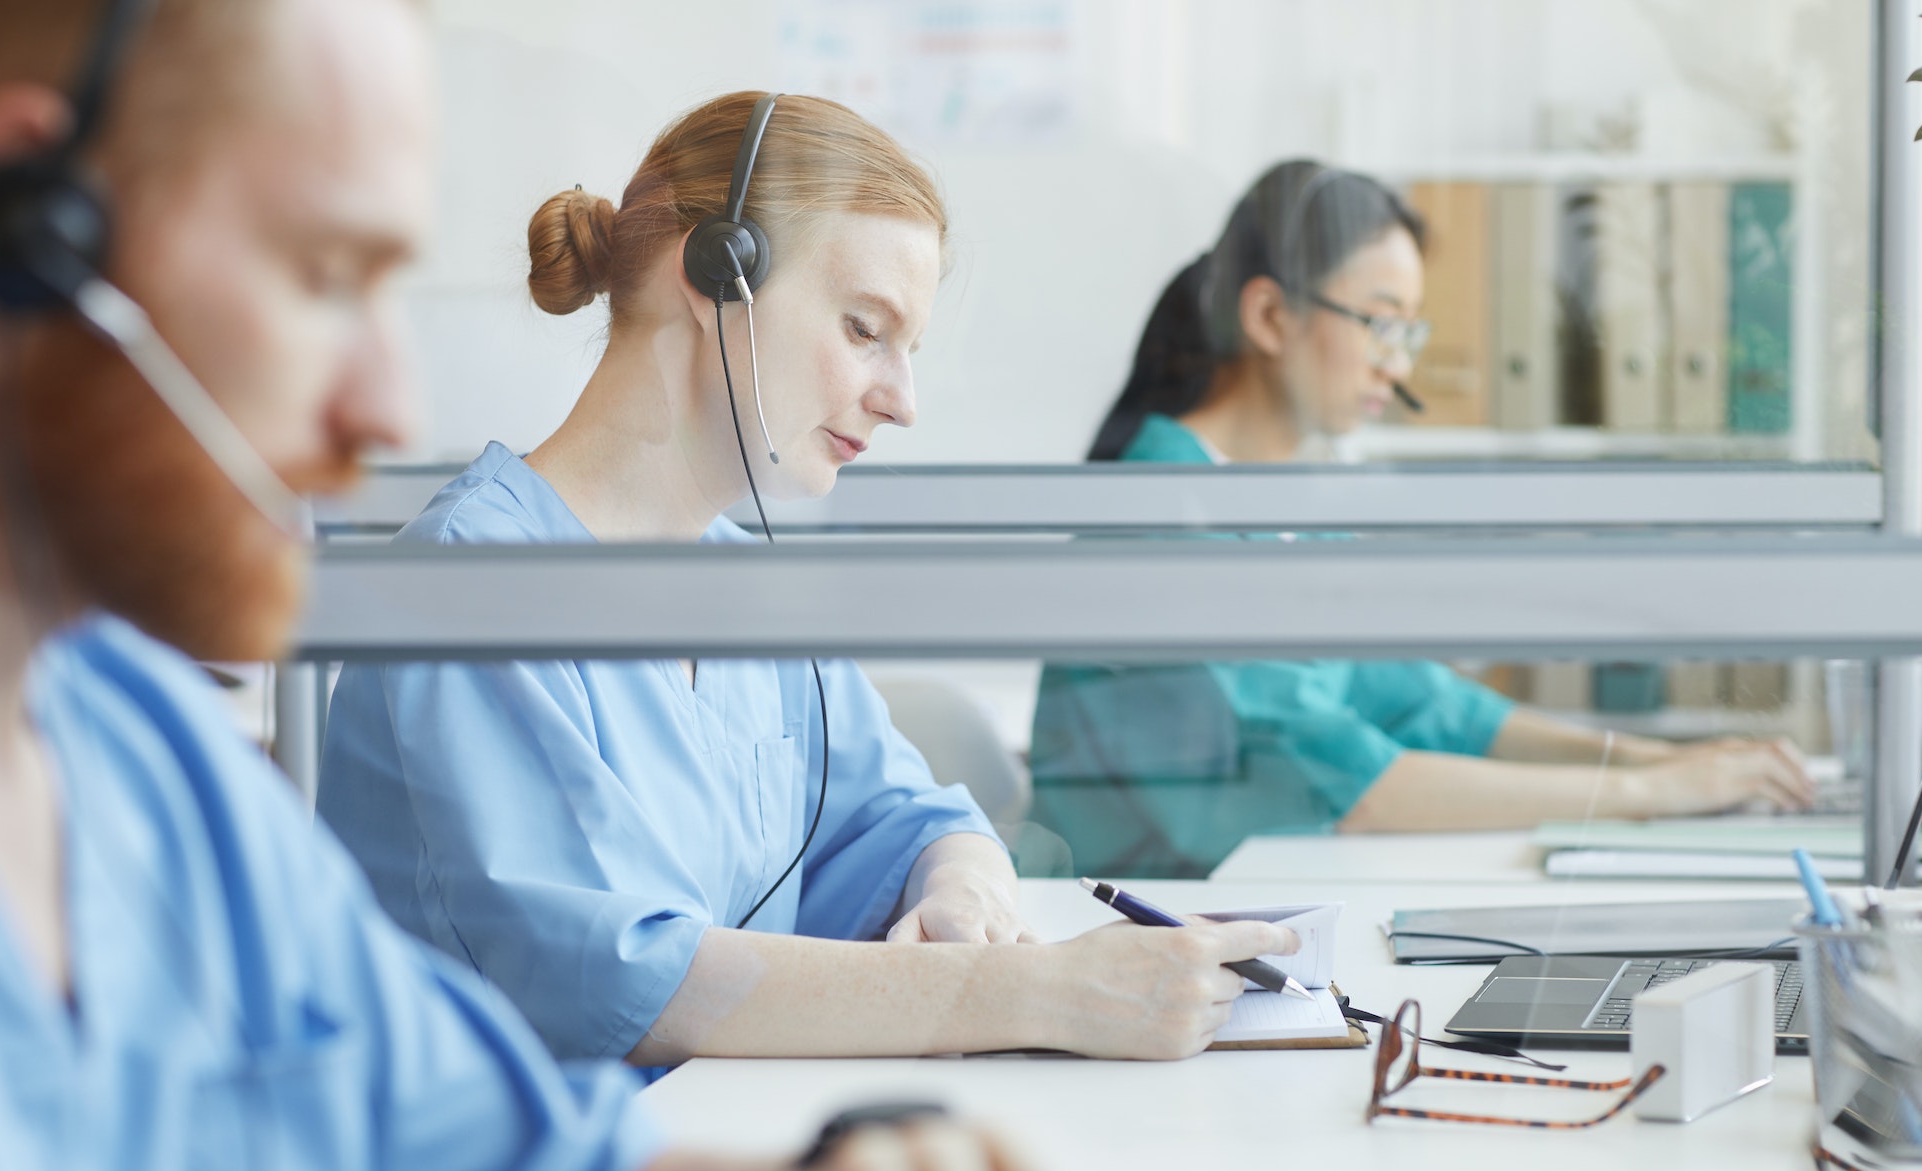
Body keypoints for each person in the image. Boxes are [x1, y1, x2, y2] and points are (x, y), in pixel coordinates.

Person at [0, 3, 1055, 1171]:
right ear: (20, 224)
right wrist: (1011, 991)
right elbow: (608, 982)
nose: (387, 406)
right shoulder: (467, 582)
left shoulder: (145, 761)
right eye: (324, 275)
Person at [316, 91, 1299, 1068]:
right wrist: (1031, 991)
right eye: (865, 329)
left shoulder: (744, 589)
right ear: (714, 278)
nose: (900, 400)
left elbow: (908, 820)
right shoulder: (473, 588)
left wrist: (958, 889)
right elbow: (620, 980)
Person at [1028, 160, 1814, 879]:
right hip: (1137, 928)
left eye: (1410, 331)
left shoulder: (1277, 506)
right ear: (1270, 316)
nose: (1399, 365)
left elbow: (1429, 706)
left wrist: (1652, 759)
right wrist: (1655, 792)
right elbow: (1357, 785)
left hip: (1251, 903)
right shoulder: (1160, 520)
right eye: (1381, 322)